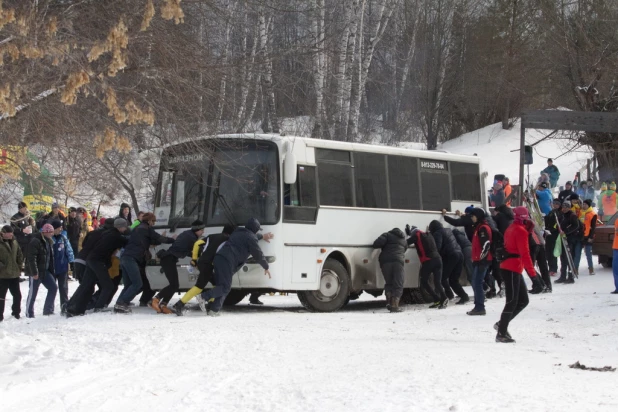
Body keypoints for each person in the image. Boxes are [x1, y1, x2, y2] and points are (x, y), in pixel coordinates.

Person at [200, 218, 271, 316]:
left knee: (223, 286)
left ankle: (214, 310)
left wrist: (262, 236)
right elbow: (258, 254)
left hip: (219, 258)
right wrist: (266, 266)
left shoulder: (238, 231)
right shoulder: (251, 238)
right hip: (227, 261)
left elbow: (249, 236)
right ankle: (204, 297)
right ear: (255, 229)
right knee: (225, 287)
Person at [495, 206, 542, 343]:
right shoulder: (520, 231)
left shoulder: (511, 228)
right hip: (512, 268)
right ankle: (501, 332)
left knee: (522, 300)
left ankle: (501, 325)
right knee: (512, 301)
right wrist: (533, 276)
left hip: (510, 267)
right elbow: (525, 254)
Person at [114, 213, 176, 313]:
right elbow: (159, 238)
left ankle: (119, 303)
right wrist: (173, 240)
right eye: (153, 221)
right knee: (137, 283)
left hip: (125, 257)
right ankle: (121, 303)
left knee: (128, 284)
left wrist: (159, 240)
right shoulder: (146, 229)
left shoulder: (138, 228)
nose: (153, 223)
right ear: (149, 221)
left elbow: (149, 241)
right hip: (132, 258)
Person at [172, 224, 237, 315]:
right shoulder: (228, 240)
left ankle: (210, 304)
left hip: (202, 262)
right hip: (208, 264)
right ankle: (179, 304)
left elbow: (197, 244)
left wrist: (194, 259)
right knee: (199, 287)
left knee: (216, 284)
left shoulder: (212, 236)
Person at [150, 220, 205, 314]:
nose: (203, 232)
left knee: (174, 285)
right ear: (198, 230)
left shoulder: (187, 234)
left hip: (169, 259)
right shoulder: (191, 238)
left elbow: (186, 251)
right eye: (202, 230)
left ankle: (163, 305)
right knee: (174, 285)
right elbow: (194, 251)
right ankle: (155, 300)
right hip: (168, 259)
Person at [64, 218, 114, 316]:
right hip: (87, 261)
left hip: (80, 257)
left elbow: (84, 244)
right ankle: (74, 308)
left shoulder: (94, 232)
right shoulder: (107, 236)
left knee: (85, 286)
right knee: (87, 286)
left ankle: (71, 306)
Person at [84, 218, 129, 311]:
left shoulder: (108, 233)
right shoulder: (116, 236)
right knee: (108, 286)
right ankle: (99, 306)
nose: (126, 229)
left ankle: (93, 304)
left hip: (91, 259)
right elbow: (127, 242)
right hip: (98, 261)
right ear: (120, 227)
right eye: (125, 227)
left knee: (89, 284)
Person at [405, 225, 447, 309]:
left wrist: (407, 235)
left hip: (429, 261)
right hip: (438, 260)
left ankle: (437, 298)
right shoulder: (428, 234)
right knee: (437, 282)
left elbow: (406, 242)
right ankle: (442, 299)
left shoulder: (416, 235)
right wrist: (410, 234)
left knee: (423, 281)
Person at [428, 220, 469, 305]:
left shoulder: (437, 233)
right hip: (460, 254)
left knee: (442, 278)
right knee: (454, 279)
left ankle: (448, 296)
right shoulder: (448, 230)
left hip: (451, 256)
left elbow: (438, 247)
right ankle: (464, 296)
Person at [25, 223, 58, 317]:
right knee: (33, 292)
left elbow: (50, 258)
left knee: (53, 288)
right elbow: (31, 258)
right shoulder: (35, 241)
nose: (52, 234)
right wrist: (34, 272)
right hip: (36, 271)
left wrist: (52, 271)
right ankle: (29, 313)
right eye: (50, 232)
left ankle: (48, 310)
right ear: (45, 232)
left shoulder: (49, 241)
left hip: (45, 271)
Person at [372, 227, 408, 312]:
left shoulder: (387, 235)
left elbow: (376, 244)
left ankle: (388, 302)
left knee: (389, 282)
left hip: (385, 262)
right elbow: (405, 249)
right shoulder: (403, 239)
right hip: (398, 262)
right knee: (398, 283)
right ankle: (394, 305)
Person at [467, 208, 493, 316]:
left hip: (483, 260)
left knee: (477, 283)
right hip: (479, 259)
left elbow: (486, 245)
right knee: (475, 282)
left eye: (473, 216)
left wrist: (481, 260)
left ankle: (480, 307)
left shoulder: (482, 228)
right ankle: (478, 305)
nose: (472, 218)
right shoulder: (479, 227)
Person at [0, 225, 23, 321]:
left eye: (12, 232)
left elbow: (19, 254)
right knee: (1, 296)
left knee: (17, 295)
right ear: (3, 233)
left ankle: (16, 313)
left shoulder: (14, 242)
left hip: (14, 274)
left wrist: (19, 265)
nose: (11, 234)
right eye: (9, 233)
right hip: (2, 275)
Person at [51, 220, 74, 314]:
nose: (61, 229)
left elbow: (69, 250)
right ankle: (49, 308)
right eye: (59, 228)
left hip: (62, 267)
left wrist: (71, 262)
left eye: (61, 227)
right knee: (52, 289)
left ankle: (64, 306)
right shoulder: (49, 238)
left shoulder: (63, 238)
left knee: (63, 288)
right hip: (52, 268)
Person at [555, 201, 580, 284]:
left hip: (570, 239)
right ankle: (562, 276)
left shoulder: (572, 215)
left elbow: (576, 226)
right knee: (563, 258)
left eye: (566, 207)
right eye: (563, 207)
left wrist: (566, 232)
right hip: (562, 238)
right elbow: (559, 224)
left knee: (569, 257)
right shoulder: (561, 215)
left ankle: (570, 276)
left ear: (569, 207)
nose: (564, 208)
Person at [544, 199, 563, 277]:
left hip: (555, 235)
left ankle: (554, 268)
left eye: (557, 204)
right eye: (554, 204)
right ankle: (550, 267)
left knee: (553, 252)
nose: (555, 205)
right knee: (548, 252)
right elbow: (547, 222)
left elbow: (558, 224)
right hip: (548, 234)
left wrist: (553, 229)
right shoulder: (551, 212)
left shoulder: (559, 213)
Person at [580, 199, 597, 276]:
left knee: (588, 254)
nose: (584, 205)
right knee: (577, 254)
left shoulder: (592, 214)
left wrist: (591, 237)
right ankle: (575, 269)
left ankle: (591, 269)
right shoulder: (581, 213)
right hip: (581, 235)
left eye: (585, 204)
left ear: (589, 205)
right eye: (583, 204)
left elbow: (593, 227)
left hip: (588, 236)